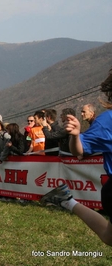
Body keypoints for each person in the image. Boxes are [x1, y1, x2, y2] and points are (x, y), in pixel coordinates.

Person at [41, 68, 112, 246]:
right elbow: (79, 151)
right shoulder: (107, 122)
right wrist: (74, 136)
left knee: (109, 237)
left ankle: (67, 201)